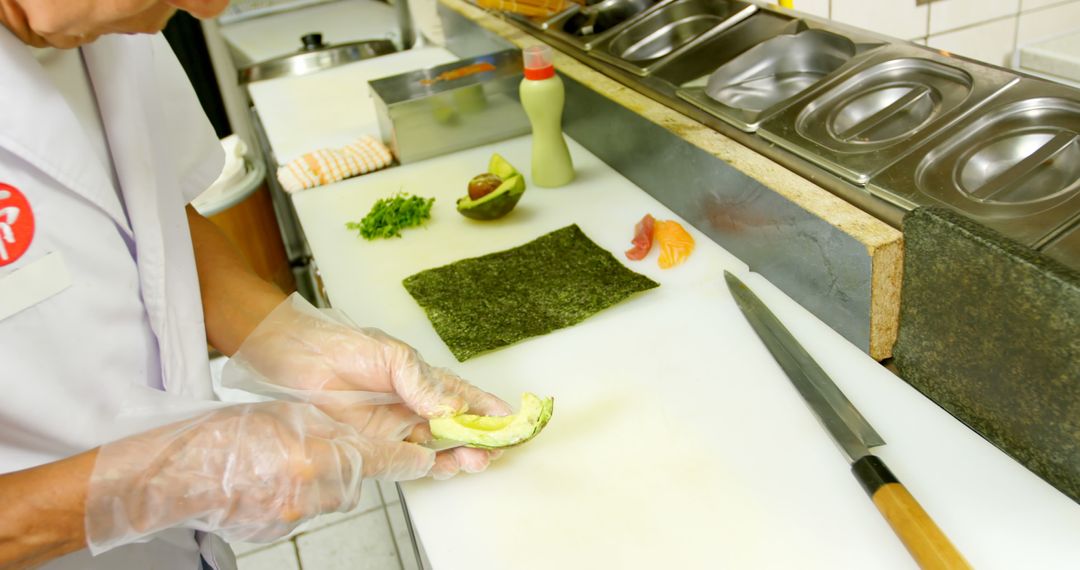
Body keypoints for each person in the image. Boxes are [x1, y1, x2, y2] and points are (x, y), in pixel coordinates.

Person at [0, 2, 510, 568]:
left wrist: (299, 345)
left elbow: (154, 218)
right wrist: (155, 484)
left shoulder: (117, 26)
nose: (208, 8)